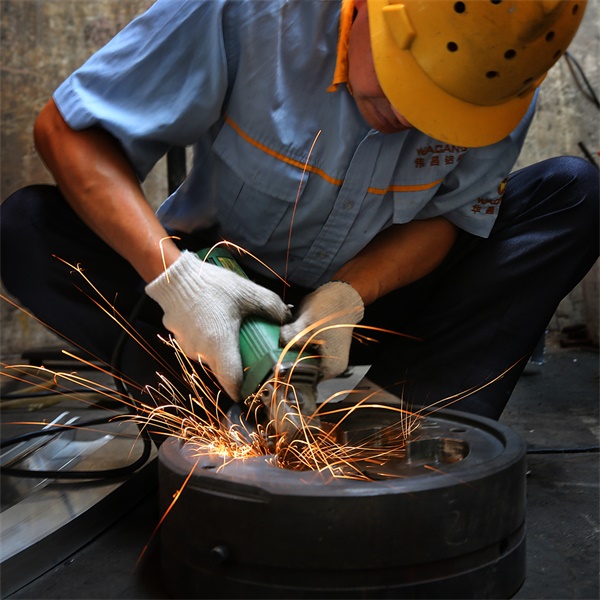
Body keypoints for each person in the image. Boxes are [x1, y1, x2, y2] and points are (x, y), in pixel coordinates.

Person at [1, 0, 597, 423]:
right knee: (26, 228)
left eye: (448, 110)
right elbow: (66, 131)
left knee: (574, 193)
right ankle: (206, 411)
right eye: (410, 83)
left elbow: (450, 217)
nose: (416, 119)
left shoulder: (500, 87)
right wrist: (176, 279)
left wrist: (349, 295)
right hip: (215, 296)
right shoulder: (245, 11)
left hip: (366, 314)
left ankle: (398, 419)